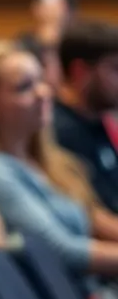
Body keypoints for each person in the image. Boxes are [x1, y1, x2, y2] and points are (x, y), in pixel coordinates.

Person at [0, 40, 118, 284]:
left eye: (41, 80)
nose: (44, 92)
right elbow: (61, 252)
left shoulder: (49, 160)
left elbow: (92, 217)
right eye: (24, 87)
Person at [54, 19, 118, 213]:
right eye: (115, 69)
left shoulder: (98, 120)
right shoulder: (59, 133)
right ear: (80, 71)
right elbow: (90, 216)